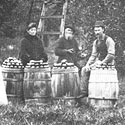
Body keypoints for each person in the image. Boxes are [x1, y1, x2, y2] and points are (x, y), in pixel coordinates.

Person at [80, 20, 115, 98]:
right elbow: (93, 55)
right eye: (95, 30)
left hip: (109, 63)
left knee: (96, 69)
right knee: (84, 69)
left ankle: (99, 93)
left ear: (103, 29)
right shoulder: (96, 42)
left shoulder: (108, 40)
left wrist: (102, 62)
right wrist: (87, 64)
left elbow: (111, 55)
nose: (97, 32)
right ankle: (84, 92)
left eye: (98, 30)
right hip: (99, 62)